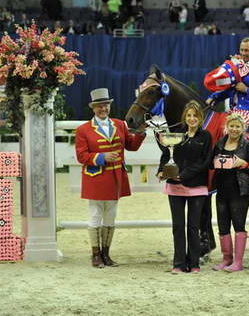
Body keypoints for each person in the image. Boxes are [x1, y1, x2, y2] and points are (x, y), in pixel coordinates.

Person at [75, 88, 146, 268]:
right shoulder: (83, 130)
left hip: (115, 177)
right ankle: (95, 254)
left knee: (111, 217)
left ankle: (106, 254)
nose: (103, 109)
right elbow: (81, 156)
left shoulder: (119, 124)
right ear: (93, 108)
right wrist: (101, 157)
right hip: (96, 177)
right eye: (99, 106)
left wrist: (141, 133)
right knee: (94, 215)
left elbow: (131, 146)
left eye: (105, 105)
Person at [157, 101, 212, 274]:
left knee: (193, 226)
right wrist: (161, 171)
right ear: (184, 117)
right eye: (189, 115)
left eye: (195, 115)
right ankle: (179, 263)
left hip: (196, 186)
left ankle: (194, 263)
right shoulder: (176, 135)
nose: (192, 118)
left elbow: (205, 162)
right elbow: (167, 155)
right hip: (175, 187)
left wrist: (185, 174)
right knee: (178, 226)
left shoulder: (206, 137)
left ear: (200, 118)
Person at [211, 114, 249, 272]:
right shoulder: (220, 143)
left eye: (237, 126)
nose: (234, 129)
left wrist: (243, 164)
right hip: (222, 189)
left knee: (238, 224)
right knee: (223, 224)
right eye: (232, 126)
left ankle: (238, 261)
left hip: (240, 190)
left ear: (242, 128)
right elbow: (211, 162)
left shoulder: (246, 144)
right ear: (227, 127)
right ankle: (226, 259)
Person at [205, 37, 249, 131]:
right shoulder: (236, 67)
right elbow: (229, 89)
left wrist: (247, 89)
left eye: (246, 50)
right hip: (233, 110)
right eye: (241, 50)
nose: (243, 53)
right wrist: (214, 97)